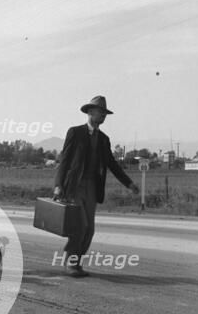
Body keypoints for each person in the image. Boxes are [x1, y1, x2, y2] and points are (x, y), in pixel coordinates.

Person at [53, 95, 139, 277]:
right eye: (101, 112)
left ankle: (77, 263)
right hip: (75, 186)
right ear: (91, 112)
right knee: (80, 226)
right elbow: (65, 161)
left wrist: (129, 183)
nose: (104, 116)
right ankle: (70, 263)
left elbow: (112, 164)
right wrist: (58, 185)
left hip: (92, 187)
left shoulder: (104, 139)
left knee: (90, 229)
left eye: (105, 113)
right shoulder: (75, 133)